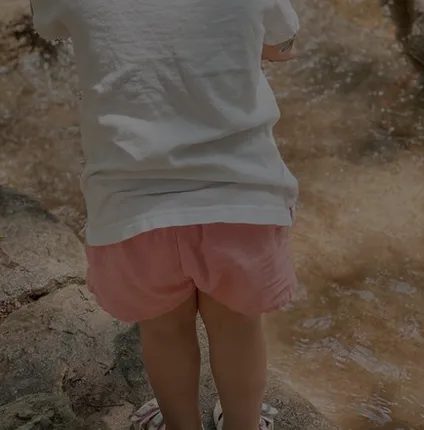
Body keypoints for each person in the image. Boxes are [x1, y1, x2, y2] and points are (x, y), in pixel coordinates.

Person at [30, 0, 300, 428]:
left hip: (133, 209)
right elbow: (280, 46)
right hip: (239, 200)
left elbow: (50, 27)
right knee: (238, 327)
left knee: (163, 331)